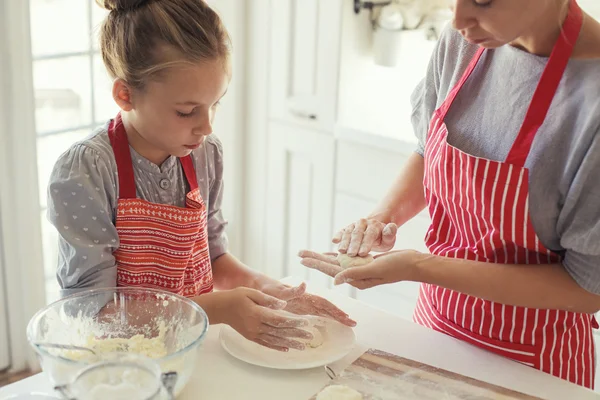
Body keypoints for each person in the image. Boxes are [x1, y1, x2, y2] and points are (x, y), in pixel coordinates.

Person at [300, 0, 600, 388]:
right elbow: (431, 149)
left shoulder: (591, 100)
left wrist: (418, 267)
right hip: (434, 326)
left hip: (532, 362)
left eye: (483, 1)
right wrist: (382, 216)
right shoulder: (464, 43)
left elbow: (586, 287)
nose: (458, 19)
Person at [47, 0, 355, 353]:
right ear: (125, 94)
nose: (206, 126)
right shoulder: (87, 171)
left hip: (191, 347)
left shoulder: (205, 154)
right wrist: (216, 308)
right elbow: (93, 312)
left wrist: (269, 290)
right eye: (186, 111)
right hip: (117, 363)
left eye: (215, 104)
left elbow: (213, 256)